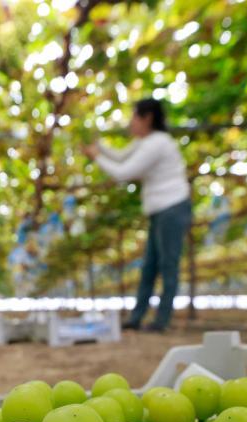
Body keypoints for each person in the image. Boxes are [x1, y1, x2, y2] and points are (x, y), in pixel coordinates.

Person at [83, 98, 191, 332]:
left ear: (147, 118)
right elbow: (121, 156)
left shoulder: (157, 144)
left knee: (167, 265)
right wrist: (98, 147)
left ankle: (161, 320)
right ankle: (137, 317)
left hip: (171, 207)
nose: (130, 123)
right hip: (160, 211)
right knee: (150, 266)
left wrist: (96, 156)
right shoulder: (146, 142)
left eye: (133, 117)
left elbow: (123, 172)